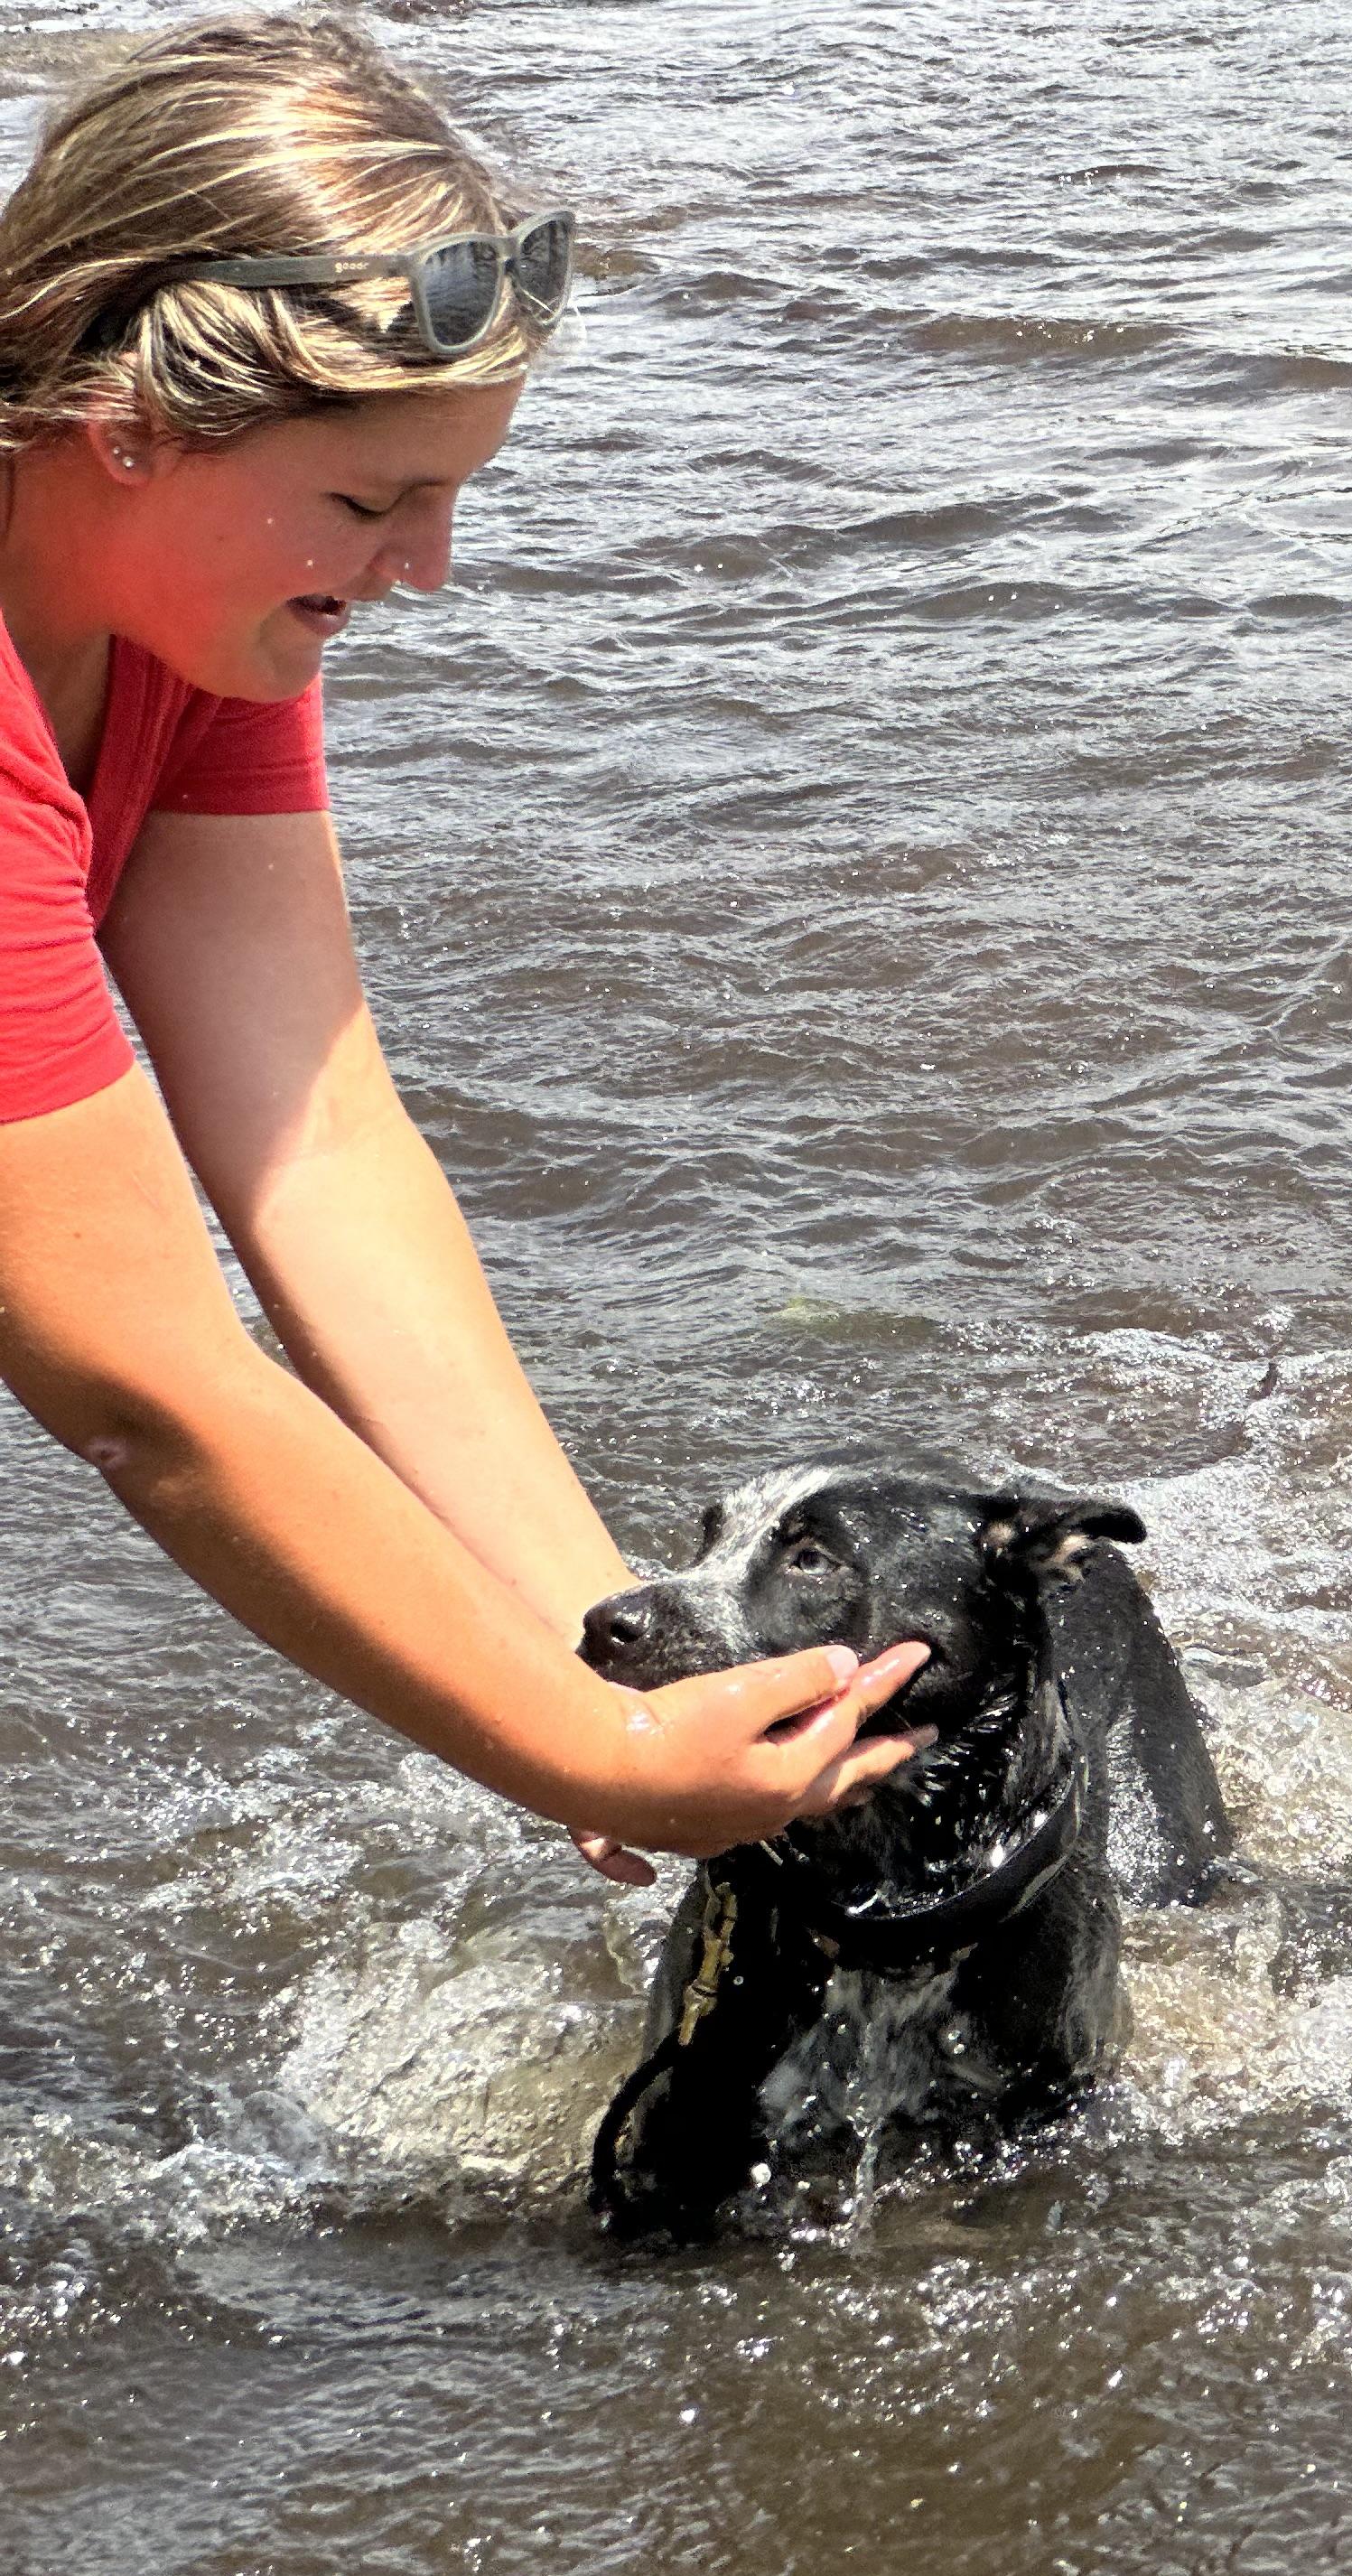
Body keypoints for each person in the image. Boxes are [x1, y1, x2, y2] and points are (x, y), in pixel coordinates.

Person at [0, 12, 928, 1884]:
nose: (426, 567)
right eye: (371, 500)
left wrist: (596, 1643)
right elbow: (143, 1387)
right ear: (128, 429)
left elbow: (316, 1146)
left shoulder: (204, 622)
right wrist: (583, 1749)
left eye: (454, 492)